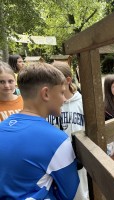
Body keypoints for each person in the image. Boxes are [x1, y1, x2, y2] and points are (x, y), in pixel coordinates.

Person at [0, 62, 79, 199]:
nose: (64, 98)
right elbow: (68, 193)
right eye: (61, 92)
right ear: (46, 93)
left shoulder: (2, 127)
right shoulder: (57, 140)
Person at [47, 61, 89, 200]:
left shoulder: (83, 102)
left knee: (81, 193)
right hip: (55, 159)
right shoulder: (47, 104)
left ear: (68, 80)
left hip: (78, 158)